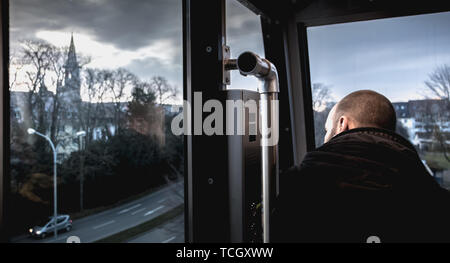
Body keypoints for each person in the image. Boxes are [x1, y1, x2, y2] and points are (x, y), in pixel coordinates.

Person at [273, 90, 450, 242]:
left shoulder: (295, 187)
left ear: (342, 124)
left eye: (327, 130)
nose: (325, 137)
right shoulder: (433, 199)